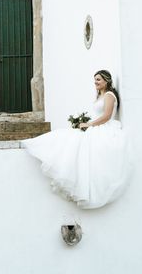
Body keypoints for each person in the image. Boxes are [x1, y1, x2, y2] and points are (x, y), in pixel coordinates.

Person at [23, 70, 131, 209]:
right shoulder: (100, 95)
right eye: (95, 79)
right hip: (96, 126)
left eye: (98, 79)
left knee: (77, 144)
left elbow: (107, 116)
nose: (95, 82)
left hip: (105, 128)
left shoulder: (109, 95)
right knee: (66, 137)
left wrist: (89, 124)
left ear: (106, 81)